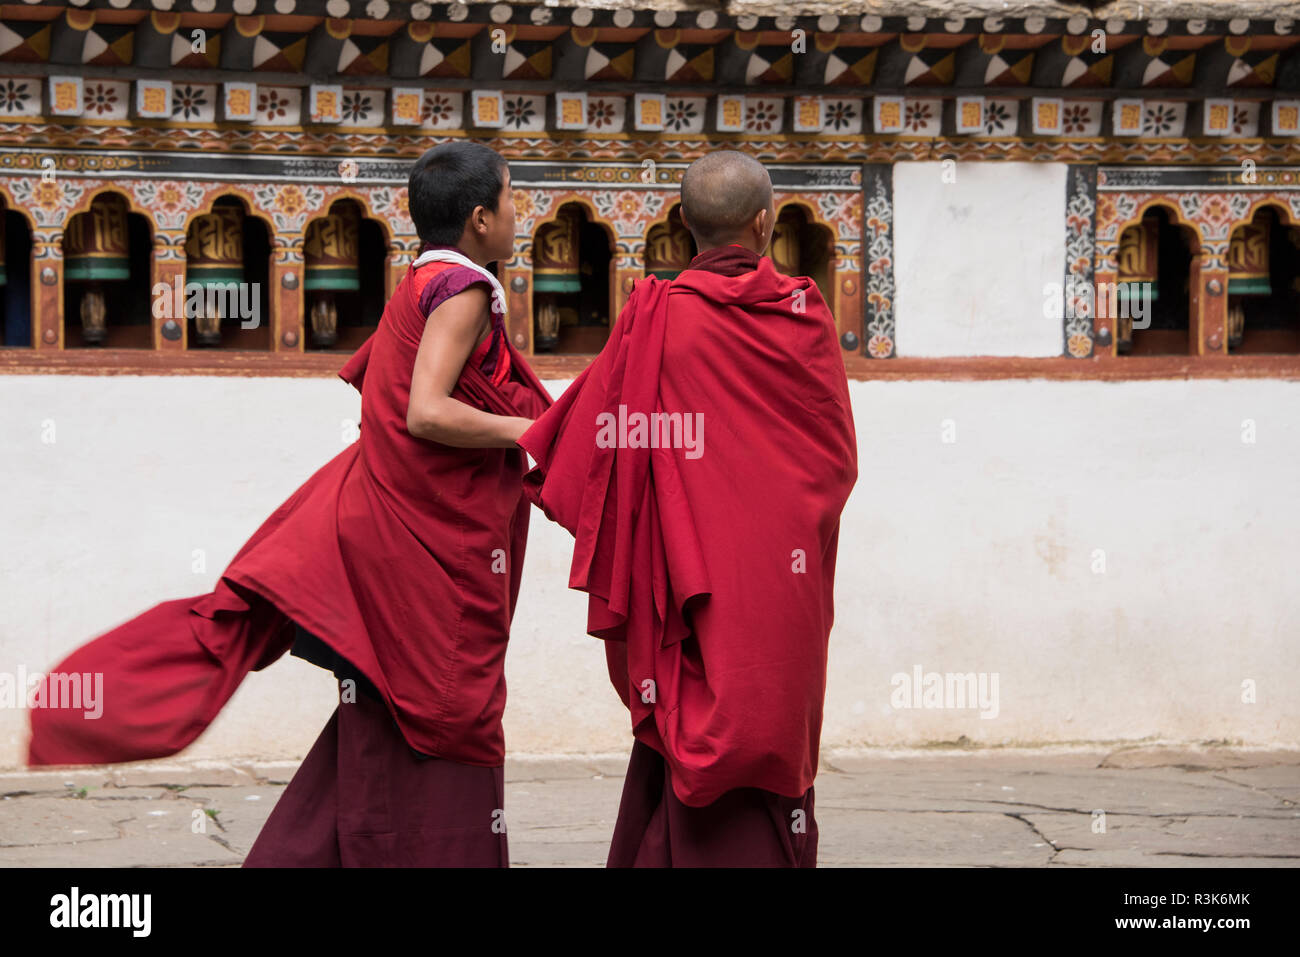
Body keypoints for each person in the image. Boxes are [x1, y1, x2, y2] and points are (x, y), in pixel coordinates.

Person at [27, 141, 553, 867]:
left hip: (389, 533)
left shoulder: (421, 281)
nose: (518, 213)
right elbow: (424, 412)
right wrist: (527, 429)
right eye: (511, 198)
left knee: (378, 712)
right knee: (438, 713)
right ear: (480, 218)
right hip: (423, 554)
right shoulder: (462, 290)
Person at [519, 150, 858, 867]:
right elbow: (834, 464)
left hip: (683, 581)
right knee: (768, 719)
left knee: (686, 716)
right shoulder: (804, 313)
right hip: (780, 583)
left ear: (680, 224)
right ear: (766, 223)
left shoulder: (653, 318)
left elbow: (580, 456)